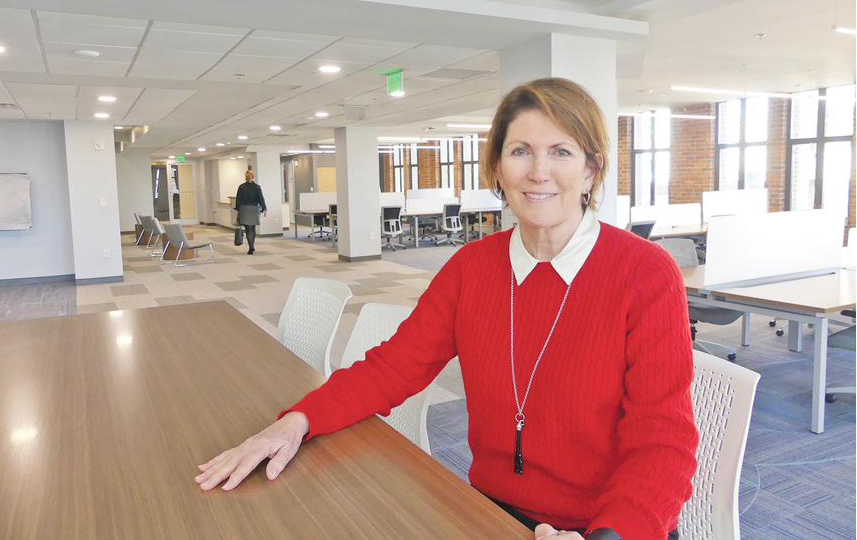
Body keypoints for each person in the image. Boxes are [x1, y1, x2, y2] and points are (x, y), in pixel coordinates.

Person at [198, 78, 698, 540]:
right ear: (498, 168)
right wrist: (299, 419)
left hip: (605, 526)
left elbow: (663, 442)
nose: (539, 172)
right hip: (491, 512)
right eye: (520, 151)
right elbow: (393, 368)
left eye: (561, 152)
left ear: (590, 170)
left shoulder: (644, 275)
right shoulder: (472, 268)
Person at [235, 170, 267, 255]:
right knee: (253, 228)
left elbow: (238, 199)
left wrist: (237, 209)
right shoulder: (257, 187)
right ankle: (252, 245)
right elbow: (261, 198)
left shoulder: (241, 187)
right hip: (254, 209)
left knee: (248, 229)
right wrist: (264, 208)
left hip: (244, 209)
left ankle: (251, 247)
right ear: (253, 177)